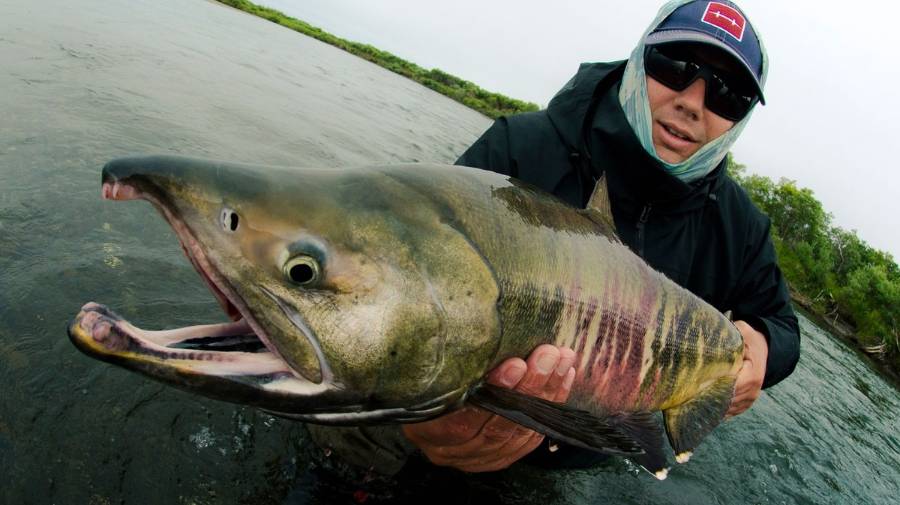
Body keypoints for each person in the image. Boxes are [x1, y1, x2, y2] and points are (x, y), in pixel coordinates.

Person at [309, 0, 800, 475]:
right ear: (638, 58)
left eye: (727, 93)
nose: (692, 102)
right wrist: (426, 420)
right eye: (673, 65)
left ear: (742, 118)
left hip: (561, 463)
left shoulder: (741, 229)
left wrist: (759, 348)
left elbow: (780, 325)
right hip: (418, 422)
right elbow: (410, 273)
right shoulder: (520, 148)